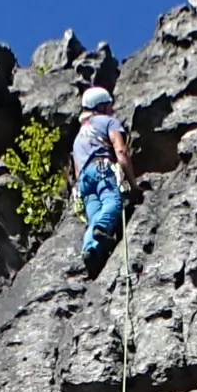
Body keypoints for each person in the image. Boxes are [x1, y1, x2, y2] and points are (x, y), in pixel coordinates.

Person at [71, 86, 134, 272]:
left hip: (83, 181)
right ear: (102, 106)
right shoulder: (107, 122)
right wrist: (134, 185)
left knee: (94, 215)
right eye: (109, 106)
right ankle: (103, 228)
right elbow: (121, 151)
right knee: (112, 201)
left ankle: (91, 249)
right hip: (102, 168)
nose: (112, 110)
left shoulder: (78, 137)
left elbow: (76, 170)